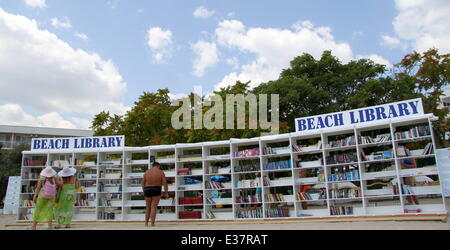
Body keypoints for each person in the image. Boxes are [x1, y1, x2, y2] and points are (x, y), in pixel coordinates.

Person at [141, 162, 168, 227]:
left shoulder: (146, 172)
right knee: (153, 207)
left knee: (148, 207)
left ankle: (146, 223)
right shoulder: (160, 172)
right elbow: (164, 183)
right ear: (158, 166)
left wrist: (144, 191)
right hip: (156, 188)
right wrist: (166, 192)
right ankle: (152, 223)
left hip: (147, 189)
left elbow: (142, 183)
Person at [32, 166, 58, 230]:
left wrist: (35, 196)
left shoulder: (42, 178)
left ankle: (34, 226)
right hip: (51, 197)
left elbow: (38, 187)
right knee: (49, 210)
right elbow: (59, 184)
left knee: (38, 210)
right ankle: (50, 227)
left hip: (42, 196)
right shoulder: (54, 178)